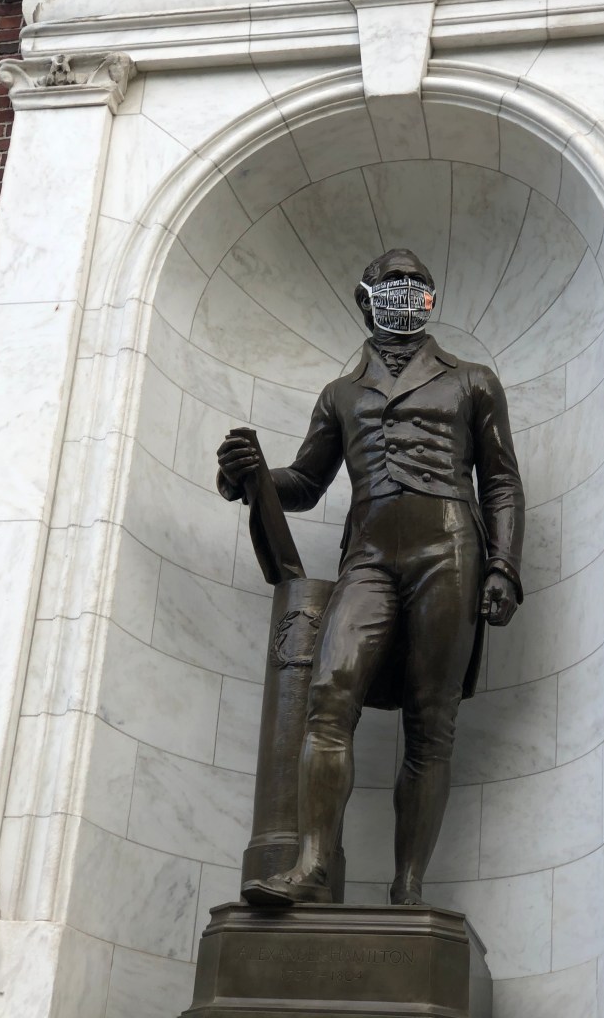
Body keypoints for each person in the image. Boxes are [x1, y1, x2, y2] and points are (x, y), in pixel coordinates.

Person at [216, 248, 525, 906]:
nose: (406, 290)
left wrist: (503, 566)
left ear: (431, 299)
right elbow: (305, 483)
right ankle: (312, 866)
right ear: (365, 297)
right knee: (328, 697)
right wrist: (249, 476)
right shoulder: (341, 393)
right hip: (369, 553)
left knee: (431, 720)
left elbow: (500, 481)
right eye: (392, 281)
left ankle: (408, 887)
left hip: (450, 549)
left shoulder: (474, 380)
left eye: (417, 282)